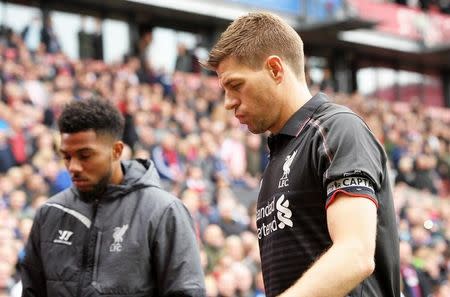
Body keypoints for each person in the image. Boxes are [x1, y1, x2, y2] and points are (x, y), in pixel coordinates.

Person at [204, 12, 400, 297]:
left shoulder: (336, 129)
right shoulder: (278, 155)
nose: (228, 102)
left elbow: (355, 254)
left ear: (275, 69)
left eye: (236, 85)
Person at [20, 98, 206, 297]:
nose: (73, 167)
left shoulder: (164, 211)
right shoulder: (50, 213)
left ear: (116, 151)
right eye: (67, 156)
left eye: (85, 155)